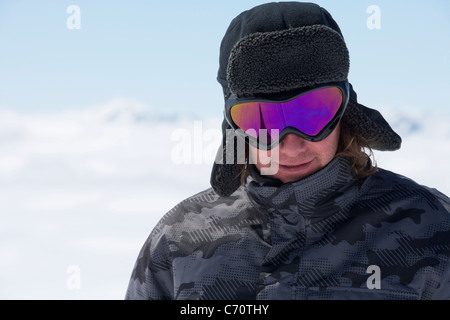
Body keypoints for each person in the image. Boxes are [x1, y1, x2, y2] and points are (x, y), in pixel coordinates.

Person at [125, 2, 450, 300]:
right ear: (234, 128)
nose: (291, 145)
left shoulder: (435, 228)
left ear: (345, 111)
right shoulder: (179, 241)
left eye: (313, 113)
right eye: (262, 120)